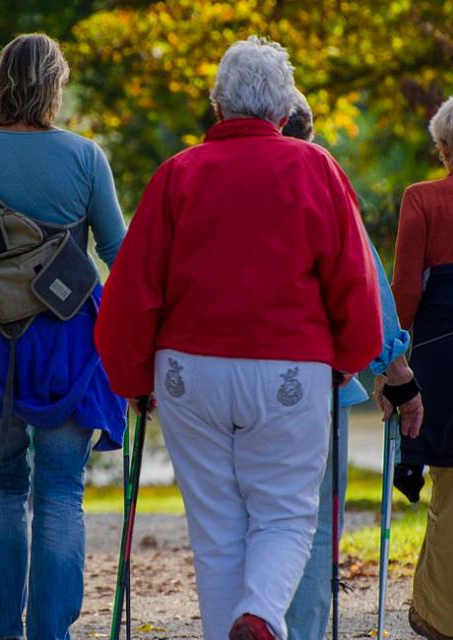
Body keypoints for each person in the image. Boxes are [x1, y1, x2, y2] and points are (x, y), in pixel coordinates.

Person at [95, 36, 383, 640]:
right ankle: (260, 615)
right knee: (283, 516)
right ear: (284, 112)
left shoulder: (178, 174)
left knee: (216, 529)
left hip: (187, 370)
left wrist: (133, 379)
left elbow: (132, 288)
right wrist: (347, 362)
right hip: (287, 367)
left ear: (218, 106)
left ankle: (244, 622)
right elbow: (352, 280)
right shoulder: (316, 169)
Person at [0, 34, 127, 640]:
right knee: (62, 491)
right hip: (69, 343)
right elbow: (120, 256)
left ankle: (1, 631)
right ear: (53, 87)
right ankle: (51, 633)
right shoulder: (87, 157)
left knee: (0, 484)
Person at [283, 90, 424, 640]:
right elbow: (364, 285)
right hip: (321, 381)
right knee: (316, 523)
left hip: (228, 378)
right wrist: (397, 374)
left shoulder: (204, 176)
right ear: (309, 135)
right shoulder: (322, 180)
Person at [391, 96, 453, 640]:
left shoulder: (424, 199)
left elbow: (405, 294)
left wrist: (393, 368)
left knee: (449, 486)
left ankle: (438, 616)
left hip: (443, 358)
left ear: (443, 148)